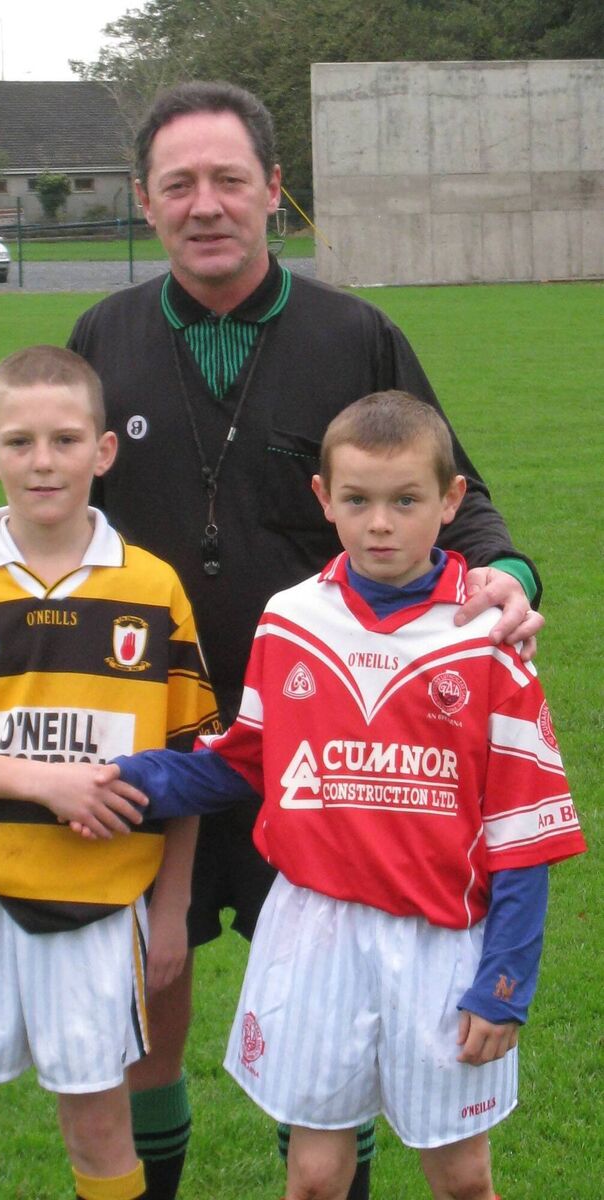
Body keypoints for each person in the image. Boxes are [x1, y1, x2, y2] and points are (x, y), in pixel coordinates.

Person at [0, 82, 546, 1200]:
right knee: (152, 985)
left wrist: (509, 581)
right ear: (146, 202)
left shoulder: (354, 333)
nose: (207, 205)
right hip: (164, 741)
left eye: (230, 180)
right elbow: (51, 477)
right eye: (180, 184)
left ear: (273, 192)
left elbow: (460, 498)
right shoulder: (105, 330)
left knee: (351, 983)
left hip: (337, 745)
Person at [111, 391, 587, 1200]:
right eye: (358, 500)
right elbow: (245, 762)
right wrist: (122, 779)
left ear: (450, 501)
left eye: (407, 501)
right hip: (314, 933)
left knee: (464, 1178)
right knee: (316, 1176)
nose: (381, 524)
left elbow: (524, 831)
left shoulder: (490, 641)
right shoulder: (292, 620)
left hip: (441, 943)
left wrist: (504, 984)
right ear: (323, 499)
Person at [0, 345, 221, 1200]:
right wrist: (46, 782)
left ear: (103, 452)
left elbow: (190, 765)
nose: (44, 462)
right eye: (22, 442)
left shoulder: (154, 588)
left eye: (66, 441)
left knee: (102, 1132)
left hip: (103, 900)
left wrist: (172, 907)